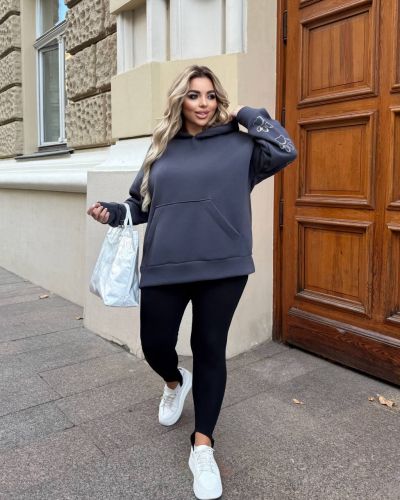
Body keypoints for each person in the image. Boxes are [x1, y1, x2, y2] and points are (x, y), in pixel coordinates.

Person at [87, 65, 297, 500]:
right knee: (155, 345)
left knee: (209, 349)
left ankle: (203, 446)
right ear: (179, 100)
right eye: (194, 95)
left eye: (210, 95)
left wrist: (246, 112)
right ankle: (174, 382)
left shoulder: (242, 145)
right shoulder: (161, 147)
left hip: (224, 267)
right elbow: (140, 204)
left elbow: (285, 148)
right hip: (164, 264)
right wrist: (114, 211)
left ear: (219, 100)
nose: (203, 103)